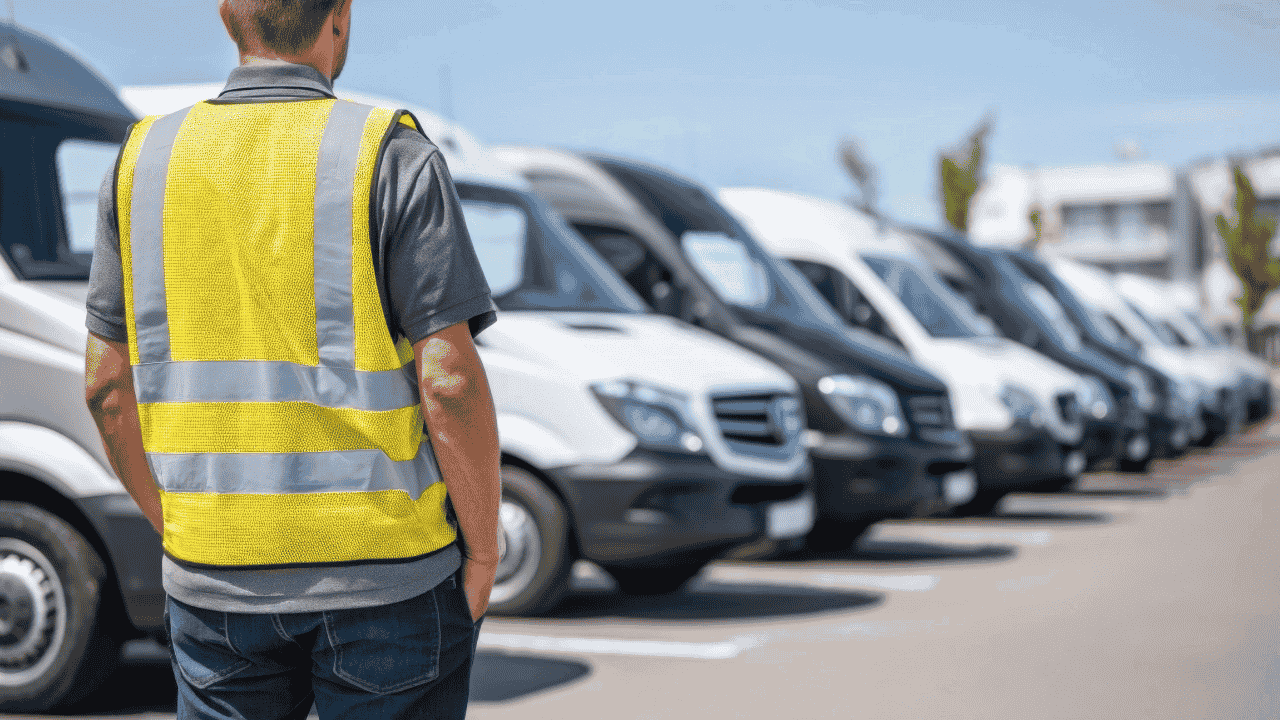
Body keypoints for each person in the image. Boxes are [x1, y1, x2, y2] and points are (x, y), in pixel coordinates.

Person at [83, 1, 501, 717]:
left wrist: (182, 526)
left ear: (226, 19)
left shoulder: (142, 159)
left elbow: (105, 388)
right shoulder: (390, 152)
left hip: (215, 581)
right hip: (389, 579)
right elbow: (449, 380)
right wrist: (487, 553)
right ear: (337, 17)